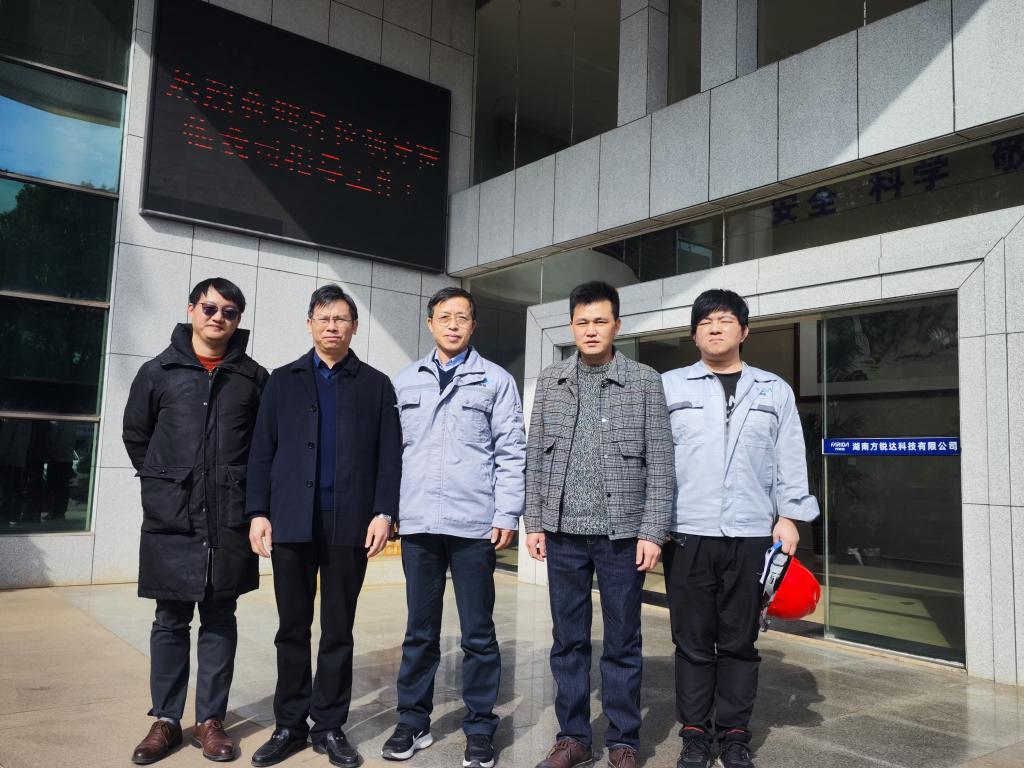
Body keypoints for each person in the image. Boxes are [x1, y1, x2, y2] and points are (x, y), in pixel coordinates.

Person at [660, 289, 820, 768]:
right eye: (705, 322)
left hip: (751, 534)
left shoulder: (773, 390)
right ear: (694, 334)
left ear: (744, 331)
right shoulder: (669, 386)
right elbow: (653, 461)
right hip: (685, 531)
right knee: (691, 642)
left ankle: (733, 735)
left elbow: (790, 456)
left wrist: (789, 516)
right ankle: (694, 734)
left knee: (738, 642)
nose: (715, 328)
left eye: (725, 320)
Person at [246, 284, 402, 768]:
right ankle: (289, 725)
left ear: (354, 326)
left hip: (348, 522)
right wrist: (258, 512)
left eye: (341, 318)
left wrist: (383, 513)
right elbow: (261, 450)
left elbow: (390, 456)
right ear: (309, 324)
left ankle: (330, 725)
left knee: (338, 628)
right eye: (323, 317)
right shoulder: (282, 380)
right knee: (291, 627)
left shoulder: (376, 384)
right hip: (291, 518)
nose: (332, 326)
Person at [524, 281, 674, 768]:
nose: (591, 330)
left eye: (600, 321)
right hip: (562, 532)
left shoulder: (644, 381)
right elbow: (534, 457)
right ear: (572, 326)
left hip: (622, 535)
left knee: (623, 639)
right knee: (568, 639)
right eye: (583, 322)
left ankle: (623, 739)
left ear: (617, 325)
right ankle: (573, 737)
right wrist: (534, 522)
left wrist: (652, 531)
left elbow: (661, 462)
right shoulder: (552, 381)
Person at [123, 277, 268, 764]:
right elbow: (136, 435)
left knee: (220, 618)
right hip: (174, 517)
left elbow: (263, 448)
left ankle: (210, 721)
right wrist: (165, 481)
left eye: (229, 311)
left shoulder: (253, 377)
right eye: (209, 308)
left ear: (238, 320)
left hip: (229, 516)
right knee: (170, 619)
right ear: (191, 310)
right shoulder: (157, 372)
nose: (218, 317)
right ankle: (165, 720)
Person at [383, 288, 526, 768]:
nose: (452, 324)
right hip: (419, 522)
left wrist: (506, 513)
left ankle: (480, 727)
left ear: (473, 325)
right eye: (444, 317)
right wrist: (390, 510)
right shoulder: (406, 381)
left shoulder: (496, 380)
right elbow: (392, 454)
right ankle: (412, 721)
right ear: (430, 323)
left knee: (478, 633)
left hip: (473, 525)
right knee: (419, 631)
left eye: (461, 317)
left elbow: (511, 450)